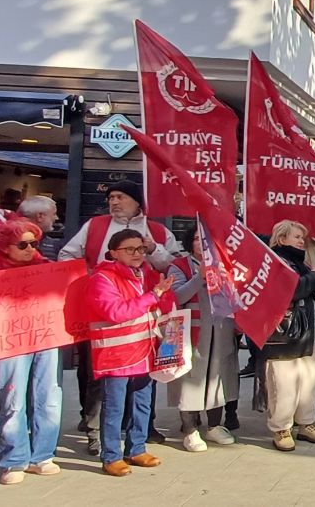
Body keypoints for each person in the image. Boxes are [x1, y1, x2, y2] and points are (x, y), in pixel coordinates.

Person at [60, 181, 181, 455]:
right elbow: (67, 255)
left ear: (137, 201)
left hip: (143, 323)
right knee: (98, 382)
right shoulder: (94, 226)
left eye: (120, 197)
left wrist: (153, 249)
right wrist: (93, 277)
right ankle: (95, 431)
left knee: (142, 384)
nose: (114, 202)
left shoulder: (157, 230)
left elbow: (172, 265)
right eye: (111, 197)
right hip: (104, 320)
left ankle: (141, 433)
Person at [0, 195, 63, 460]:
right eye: (23, 244)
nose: (30, 249)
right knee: (10, 399)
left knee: (48, 397)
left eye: (34, 243)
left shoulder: (46, 268)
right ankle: (13, 456)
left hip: (44, 341)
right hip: (9, 346)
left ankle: (43, 454)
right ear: (5, 246)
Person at [86, 229, 175, 476]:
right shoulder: (102, 278)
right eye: (130, 249)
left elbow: (162, 305)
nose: (137, 254)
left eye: (140, 249)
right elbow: (116, 312)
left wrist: (164, 295)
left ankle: (136, 448)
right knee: (114, 408)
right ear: (114, 252)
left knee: (143, 404)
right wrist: (154, 294)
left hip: (145, 351)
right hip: (116, 355)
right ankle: (111, 455)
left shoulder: (145, 274)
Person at [166, 228, 239, 452]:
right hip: (193, 334)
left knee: (219, 378)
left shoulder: (228, 264)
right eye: (197, 239)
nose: (201, 243)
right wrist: (200, 277)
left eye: (206, 239)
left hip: (221, 331)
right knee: (190, 380)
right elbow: (177, 296)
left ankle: (215, 425)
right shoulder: (179, 266)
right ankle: (189, 429)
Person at [264, 220, 315, 451]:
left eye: (302, 238)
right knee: (283, 384)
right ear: (282, 239)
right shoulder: (275, 261)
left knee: (310, 380)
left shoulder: (300, 264)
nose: (300, 241)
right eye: (296, 237)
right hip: (283, 335)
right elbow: (291, 291)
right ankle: (282, 427)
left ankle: (306, 423)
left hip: (307, 333)